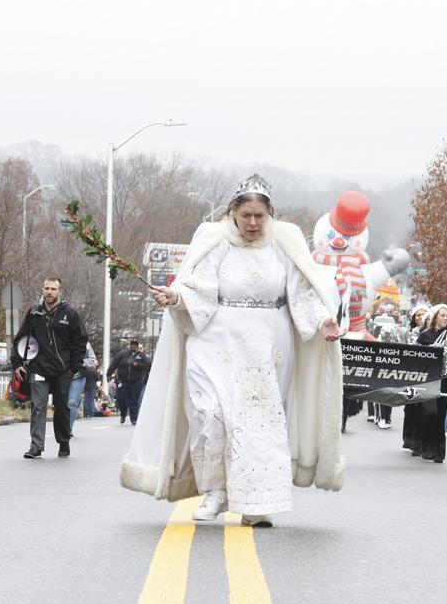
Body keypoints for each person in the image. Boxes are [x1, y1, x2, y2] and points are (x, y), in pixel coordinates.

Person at [122, 173, 345, 527]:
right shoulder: (215, 241)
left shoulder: (283, 244)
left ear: (269, 214)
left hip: (267, 347)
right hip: (214, 339)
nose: (253, 223)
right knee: (209, 413)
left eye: (260, 216)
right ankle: (216, 492)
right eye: (246, 216)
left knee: (257, 422)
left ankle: (257, 500)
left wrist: (322, 321)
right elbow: (198, 287)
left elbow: (302, 292)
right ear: (233, 214)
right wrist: (176, 296)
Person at [11, 277, 88, 459]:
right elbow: (20, 339)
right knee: (38, 406)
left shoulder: (70, 314)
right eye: (46, 288)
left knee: (61, 408)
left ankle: (63, 441)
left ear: (60, 291)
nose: (49, 292)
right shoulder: (34, 313)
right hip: (39, 369)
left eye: (53, 289)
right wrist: (17, 363)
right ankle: (36, 446)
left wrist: (74, 366)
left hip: (63, 370)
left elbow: (80, 341)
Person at [414, 303, 447, 461]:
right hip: (428, 379)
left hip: (445, 379)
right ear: (435, 317)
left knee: (440, 416)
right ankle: (426, 446)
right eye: (442, 315)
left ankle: (439, 452)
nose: (445, 318)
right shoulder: (425, 335)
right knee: (429, 413)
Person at [401, 303, 430, 452]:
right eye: (418, 315)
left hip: (428, 376)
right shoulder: (407, 333)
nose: (420, 317)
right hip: (411, 375)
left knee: (424, 409)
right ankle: (409, 438)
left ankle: (421, 439)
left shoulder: (433, 333)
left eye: (423, 314)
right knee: (411, 407)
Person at [106, 340, 151, 426]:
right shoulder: (122, 354)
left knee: (134, 400)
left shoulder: (141, 356)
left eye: (135, 346)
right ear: (129, 346)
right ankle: (123, 414)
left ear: (137, 347)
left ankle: (134, 419)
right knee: (121, 398)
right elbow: (114, 363)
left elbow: (148, 366)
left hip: (136, 381)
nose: (133, 347)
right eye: (132, 345)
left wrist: (138, 365)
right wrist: (108, 374)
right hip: (123, 381)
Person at [68, 342, 97, 432]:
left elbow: (92, 359)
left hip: (77, 377)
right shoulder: (56, 337)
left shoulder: (84, 342)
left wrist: (81, 363)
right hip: (60, 376)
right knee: (60, 404)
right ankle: (60, 428)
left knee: (72, 403)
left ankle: (68, 429)